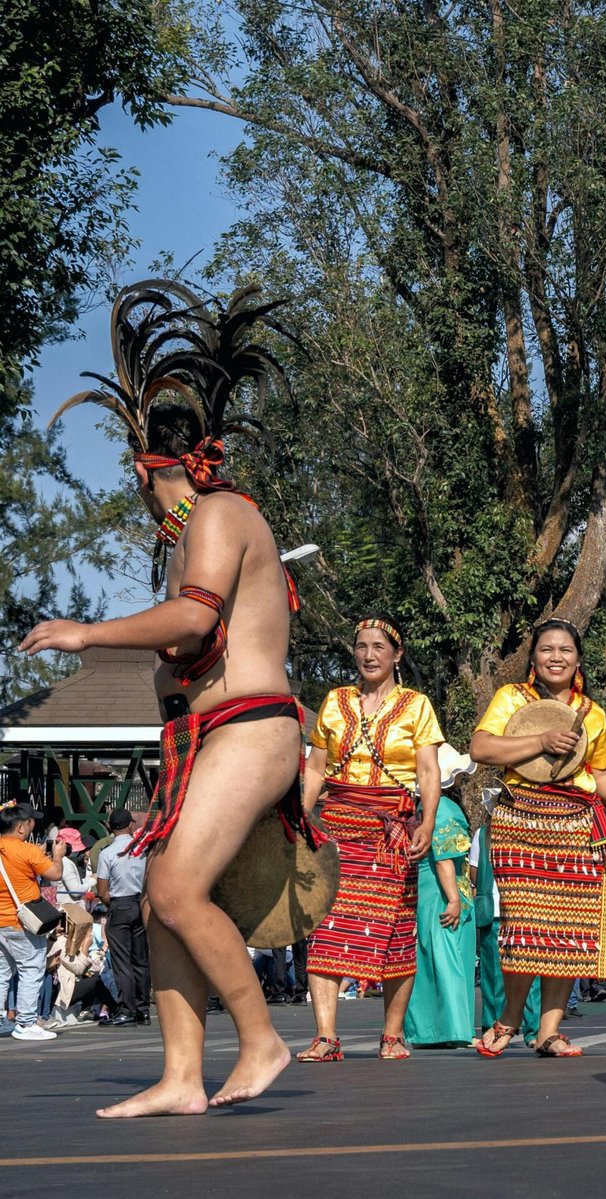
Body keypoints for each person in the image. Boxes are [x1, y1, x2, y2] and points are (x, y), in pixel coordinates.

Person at [22, 282, 315, 1115]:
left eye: (143, 481)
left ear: (165, 468)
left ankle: (261, 1038)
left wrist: (85, 631)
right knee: (159, 897)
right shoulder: (202, 527)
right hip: (212, 735)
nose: (144, 500)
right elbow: (189, 643)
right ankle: (183, 1075)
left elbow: (195, 617)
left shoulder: (217, 512)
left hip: (252, 730)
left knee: (179, 887)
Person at [470, 618, 606, 1059]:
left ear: (578, 659)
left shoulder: (593, 712)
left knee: (568, 929)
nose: (556, 657)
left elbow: (600, 770)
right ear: (533, 658)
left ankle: (549, 1032)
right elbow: (482, 749)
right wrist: (541, 739)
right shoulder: (511, 698)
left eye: (565, 649)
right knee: (526, 926)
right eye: (547, 649)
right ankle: (508, 1019)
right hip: (519, 819)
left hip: (575, 823)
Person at [298, 619, 444, 1063]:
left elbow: (427, 771)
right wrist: (300, 819)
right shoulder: (335, 702)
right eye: (361, 646)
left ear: (396, 655)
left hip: (392, 828)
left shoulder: (416, 706)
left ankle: (392, 1035)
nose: (369, 654)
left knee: (397, 930)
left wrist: (429, 821)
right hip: (338, 825)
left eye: (379, 647)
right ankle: (326, 1037)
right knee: (325, 927)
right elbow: (316, 768)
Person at [404, 747, 477, 1048]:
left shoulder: (421, 810)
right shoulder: (446, 809)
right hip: (443, 891)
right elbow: (445, 858)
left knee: (426, 960)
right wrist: (454, 899)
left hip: (424, 892)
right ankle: (453, 1028)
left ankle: (427, 1030)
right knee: (450, 960)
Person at [466, 788, 541, 1041]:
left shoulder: (527, 832)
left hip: (523, 911)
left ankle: (534, 1030)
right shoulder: (482, 835)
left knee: (530, 973)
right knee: (492, 976)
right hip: (494, 912)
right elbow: (474, 871)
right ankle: (493, 1027)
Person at [0, 803, 68, 1041]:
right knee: (31, 969)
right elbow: (55, 875)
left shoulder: (19, 850)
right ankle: (26, 1022)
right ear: (20, 827)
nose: (33, 826)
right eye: (30, 822)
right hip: (22, 922)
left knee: (1, 972)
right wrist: (57, 856)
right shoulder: (28, 851)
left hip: (0, 922)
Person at [95, 809, 150, 1027]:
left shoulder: (107, 853)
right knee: (140, 959)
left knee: (121, 961)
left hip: (120, 904)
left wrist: (113, 905)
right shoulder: (141, 849)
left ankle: (127, 1009)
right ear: (129, 825)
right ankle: (143, 1009)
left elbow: (102, 890)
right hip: (140, 903)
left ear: (110, 827)